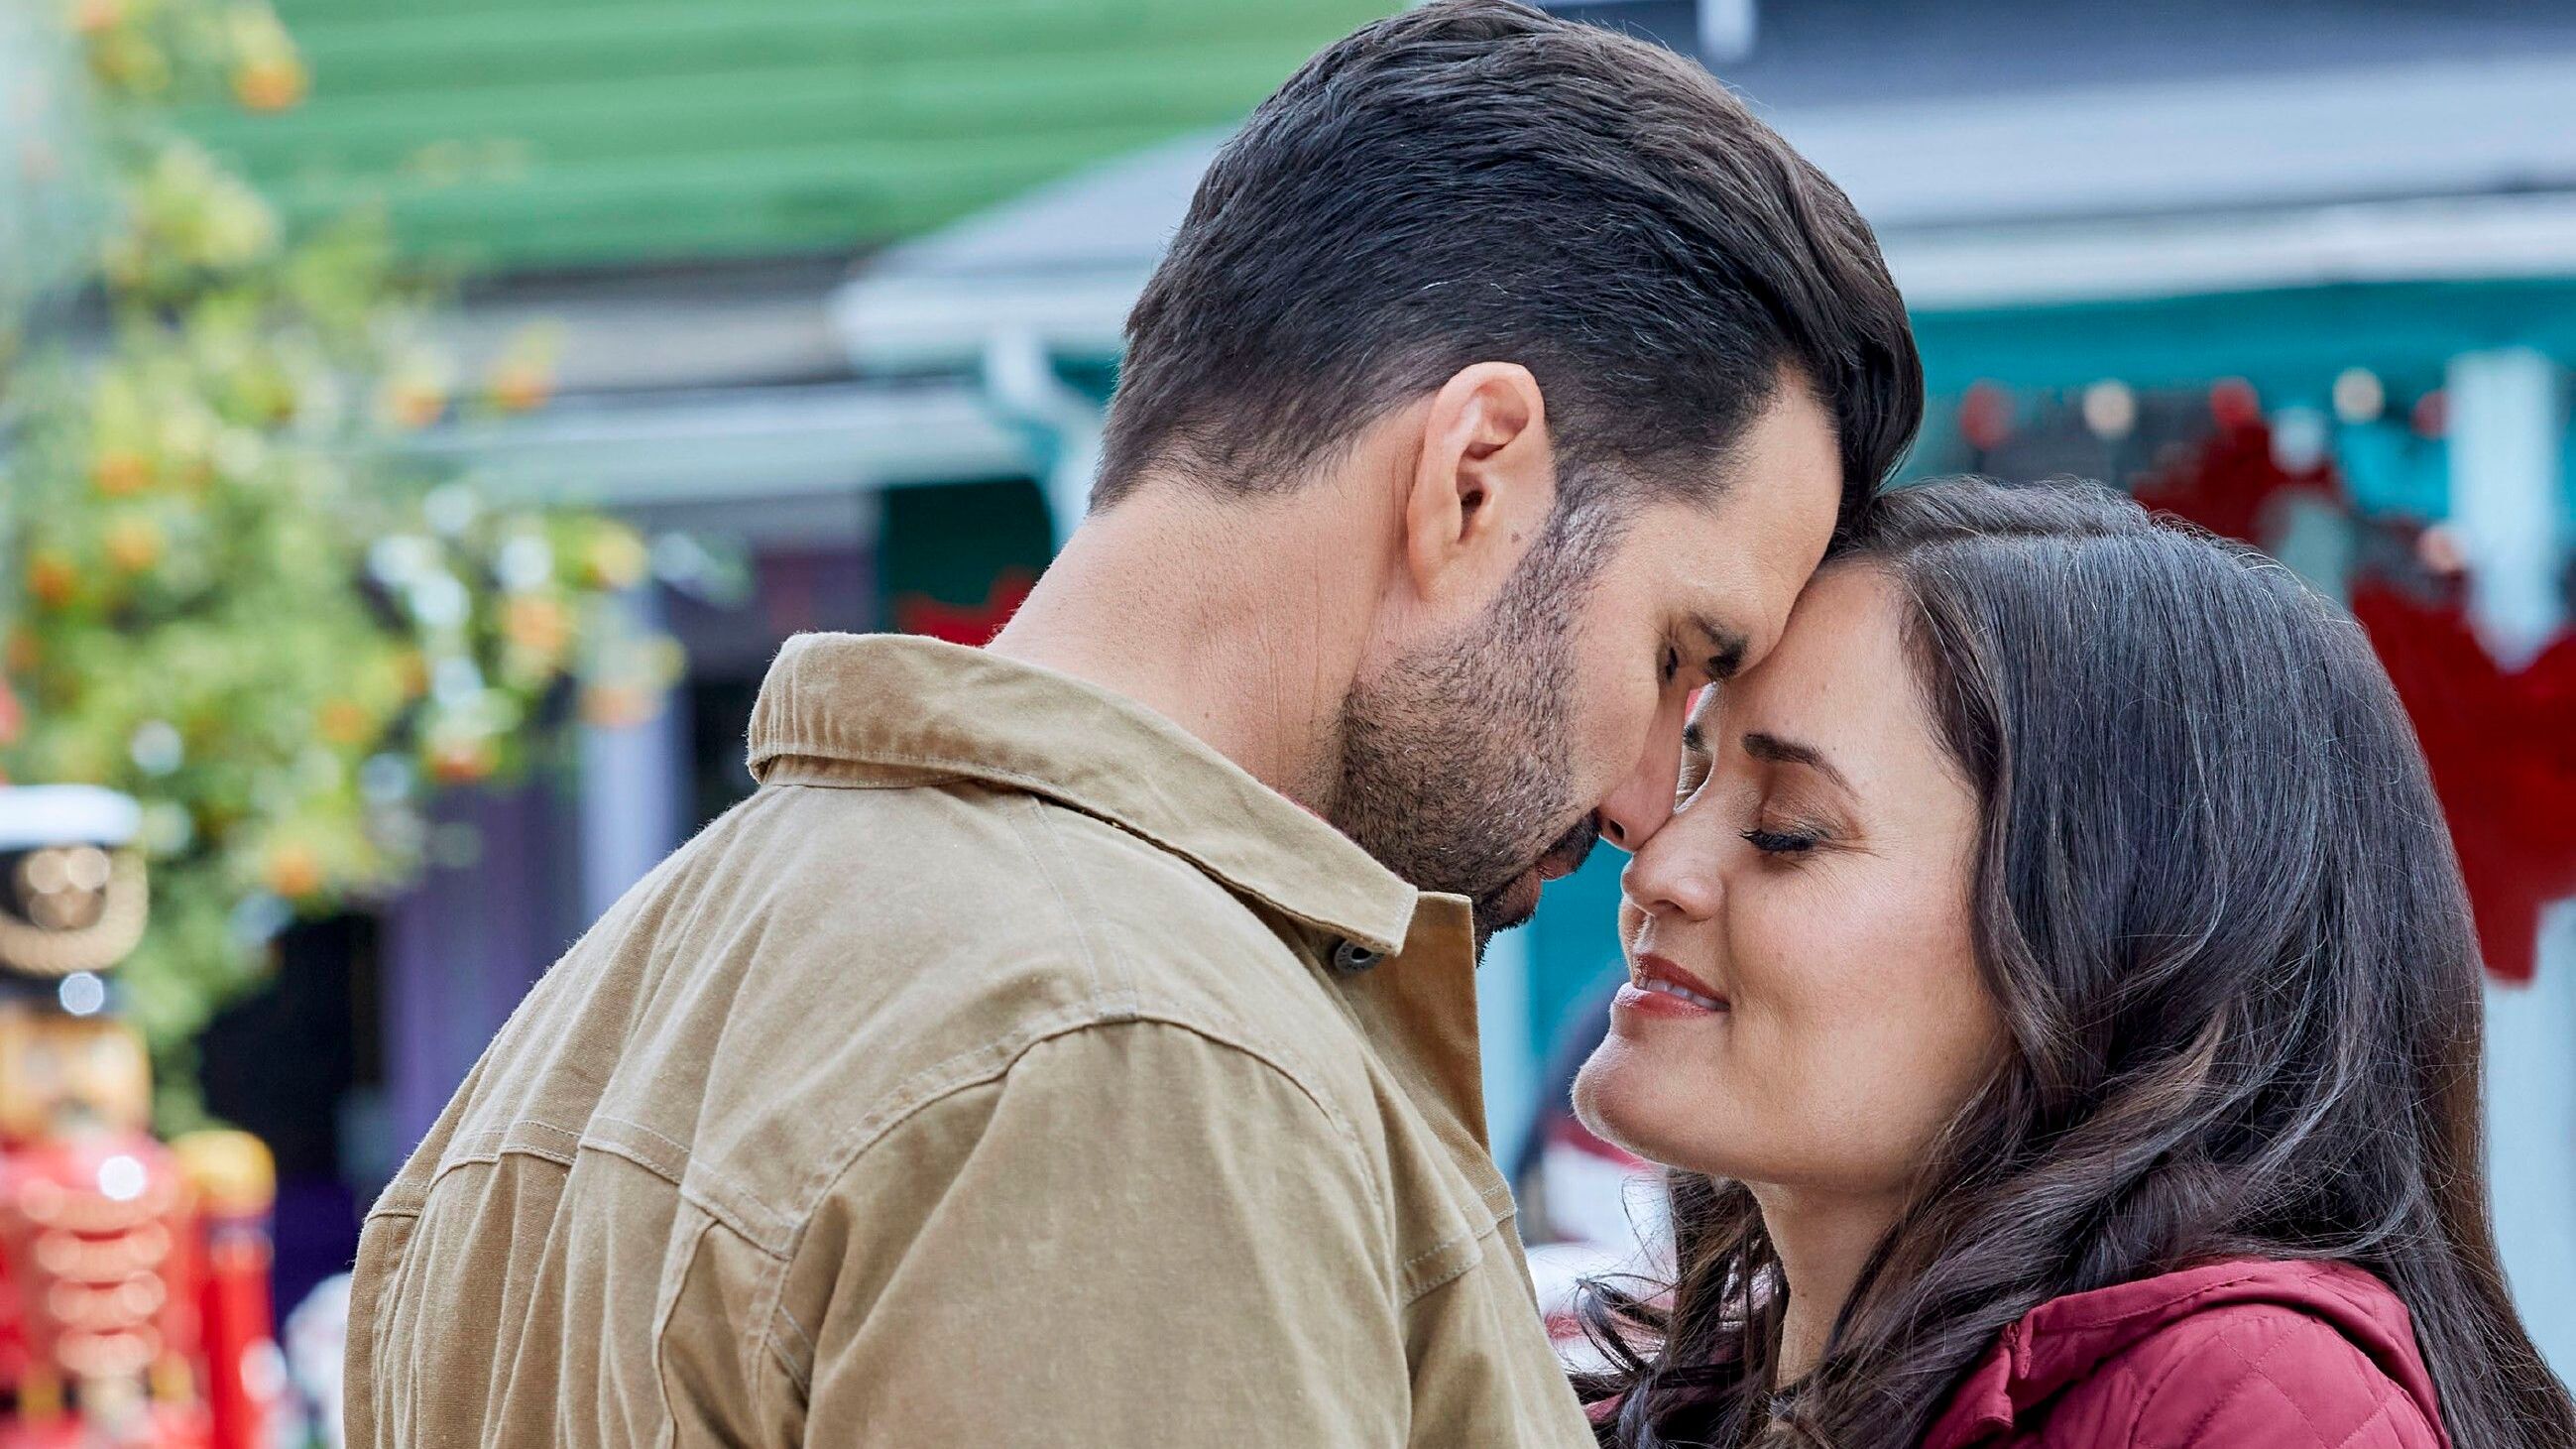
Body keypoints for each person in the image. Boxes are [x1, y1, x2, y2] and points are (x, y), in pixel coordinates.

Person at [342, 3, 1922, 1445]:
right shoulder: (1142, 1056)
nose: (1647, 800)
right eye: (1673, 653)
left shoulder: (600, 1015)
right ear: (1470, 480)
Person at [1572, 478, 2576, 1448]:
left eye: (1788, 829)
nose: (1656, 866)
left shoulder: (2245, 1406)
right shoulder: (1686, 1398)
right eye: (1692, 782)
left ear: (2119, 951)